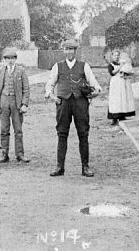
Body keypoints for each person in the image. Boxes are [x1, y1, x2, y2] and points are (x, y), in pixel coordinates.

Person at [44, 39, 102, 177]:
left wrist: (95, 92)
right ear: (63, 51)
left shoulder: (84, 66)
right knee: (62, 134)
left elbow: (94, 83)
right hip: (63, 103)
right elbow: (50, 84)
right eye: (67, 49)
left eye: (72, 49)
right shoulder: (57, 66)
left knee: (83, 134)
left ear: (75, 51)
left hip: (80, 103)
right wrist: (52, 96)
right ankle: (60, 167)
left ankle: (85, 167)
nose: (69, 52)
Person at [0, 47, 31, 163]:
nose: (10, 60)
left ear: (15, 59)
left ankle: (20, 154)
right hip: (3, 101)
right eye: (7, 58)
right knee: (4, 129)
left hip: (16, 102)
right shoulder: (1, 71)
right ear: (4, 59)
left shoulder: (21, 71)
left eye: (12, 58)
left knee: (18, 129)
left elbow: (26, 89)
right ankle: (4, 154)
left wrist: (24, 104)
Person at [107, 50, 136, 125]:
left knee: (123, 98)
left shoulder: (123, 63)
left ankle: (122, 115)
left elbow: (129, 71)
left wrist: (126, 73)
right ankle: (114, 117)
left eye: (118, 55)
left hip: (123, 83)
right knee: (115, 100)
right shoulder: (111, 65)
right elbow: (112, 73)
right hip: (115, 84)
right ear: (112, 56)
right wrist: (120, 67)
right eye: (115, 55)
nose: (116, 57)